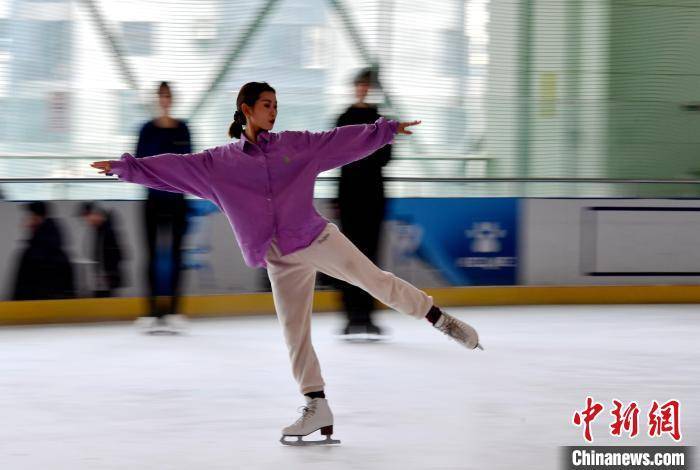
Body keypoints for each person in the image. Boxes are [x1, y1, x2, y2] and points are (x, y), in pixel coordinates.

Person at [91, 81, 482, 446]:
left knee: (374, 280)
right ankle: (317, 405)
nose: (274, 111)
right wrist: (123, 168)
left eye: (276, 105)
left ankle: (440, 319)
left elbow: (339, 141)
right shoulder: (218, 164)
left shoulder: (294, 145)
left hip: (315, 238)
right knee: (295, 333)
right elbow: (172, 169)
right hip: (277, 255)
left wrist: (385, 130)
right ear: (245, 109)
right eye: (266, 105)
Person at [335, 68, 392, 339]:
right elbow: (336, 155)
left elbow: (386, 156)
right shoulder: (344, 118)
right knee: (349, 258)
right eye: (360, 85)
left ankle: (368, 315)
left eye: (367, 85)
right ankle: (351, 316)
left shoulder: (382, 120)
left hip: (373, 197)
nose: (363, 89)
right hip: (350, 196)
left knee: (371, 259)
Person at [135, 82, 191, 331]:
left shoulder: (183, 129)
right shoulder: (147, 129)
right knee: (151, 254)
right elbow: (139, 162)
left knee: (178, 254)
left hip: (177, 200)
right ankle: (152, 311)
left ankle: (175, 311)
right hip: (153, 200)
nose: (165, 100)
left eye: (168, 95)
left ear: (173, 99)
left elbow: (189, 163)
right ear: (157, 99)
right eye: (162, 95)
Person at [11, 201, 75, 300]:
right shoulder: (60, 253)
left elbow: (22, 288)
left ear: (37, 218)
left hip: (33, 309)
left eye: (28, 217)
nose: (25, 222)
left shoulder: (33, 253)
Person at [77, 202, 125, 297]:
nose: (86, 220)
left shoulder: (107, 231)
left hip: (106, 279)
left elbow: (116, 254)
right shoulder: (100, 230)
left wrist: (106, 275)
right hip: (102, 278)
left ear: (95, 214)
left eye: (87, 216)